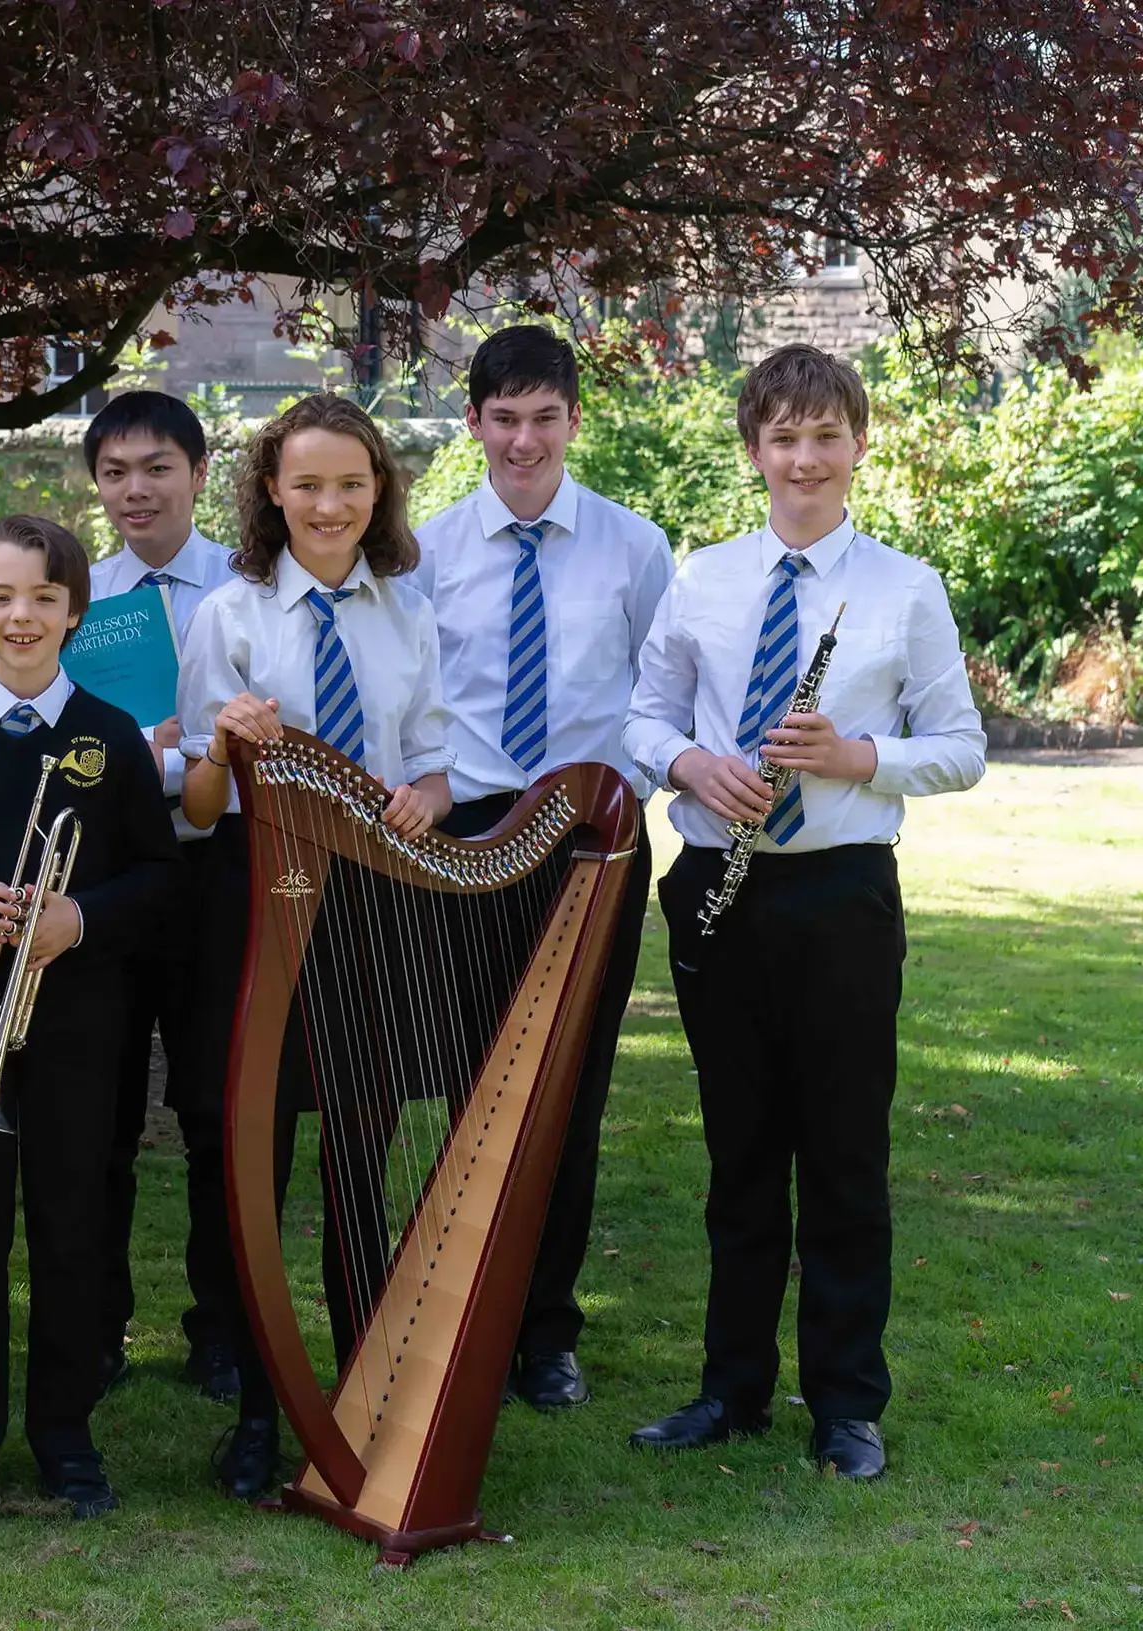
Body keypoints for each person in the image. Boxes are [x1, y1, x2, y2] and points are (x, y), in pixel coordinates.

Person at [624, 344, 984, 1481]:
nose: (804, 458)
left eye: (826, 435)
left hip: (838, 896)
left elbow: (961, 747)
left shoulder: (902, 585)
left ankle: (844, 1403)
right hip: (720, 882)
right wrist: (688, 764)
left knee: (840, 1152)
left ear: (857, 445)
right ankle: (729, 1386)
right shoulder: (703, 577)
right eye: (783, 437)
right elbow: (642, 714)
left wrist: (854, 753)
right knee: (738, 1152)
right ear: (752, 452)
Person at [176, 393, 454, 1500]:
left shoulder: (408, 612)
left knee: (356, 1163)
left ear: (376, 488)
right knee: (255, 1167)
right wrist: (224, 744)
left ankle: (362, 1394)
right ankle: (259, 1403)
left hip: (373, 907)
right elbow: (198, 803)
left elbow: (429, 762)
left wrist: (428, 799)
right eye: (306, 484)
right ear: (270, 491)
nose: (328, 503)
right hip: (258, 899)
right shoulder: (230, 612)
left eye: (350, 482)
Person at [0, 515, 180, 1521]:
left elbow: (159, 877)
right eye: (1, 598)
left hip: (80, 1029)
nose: (22, 616)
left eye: (43, 598)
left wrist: (79, 914)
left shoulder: (110, 737)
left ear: (74, 612)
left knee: (71, 1230)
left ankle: (65, 1434)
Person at [411, 325, 674, 1413]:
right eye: (503, 417)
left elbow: (662, 704)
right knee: (472, 1079)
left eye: (544, 417)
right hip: (467, 831)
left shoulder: (633, 547)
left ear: (574, 419)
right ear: (472, 422)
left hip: (590, 836)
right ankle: (458, 1304)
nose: (524, 439)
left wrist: (620, 801)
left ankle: (546, 1331)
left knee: (568, 1088)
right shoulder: (423, 551)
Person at [81, 389, 242, 1400]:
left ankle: (221, 1329)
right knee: (94, 1111)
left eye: (156, 469)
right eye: (114, 473)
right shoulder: (73, 593)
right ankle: (93, 1327)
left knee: (216, 1109)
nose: (135, 491)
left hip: (217, 865)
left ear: (197, 470)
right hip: (103, 874)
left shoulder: (248, 580)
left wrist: (181, 751)